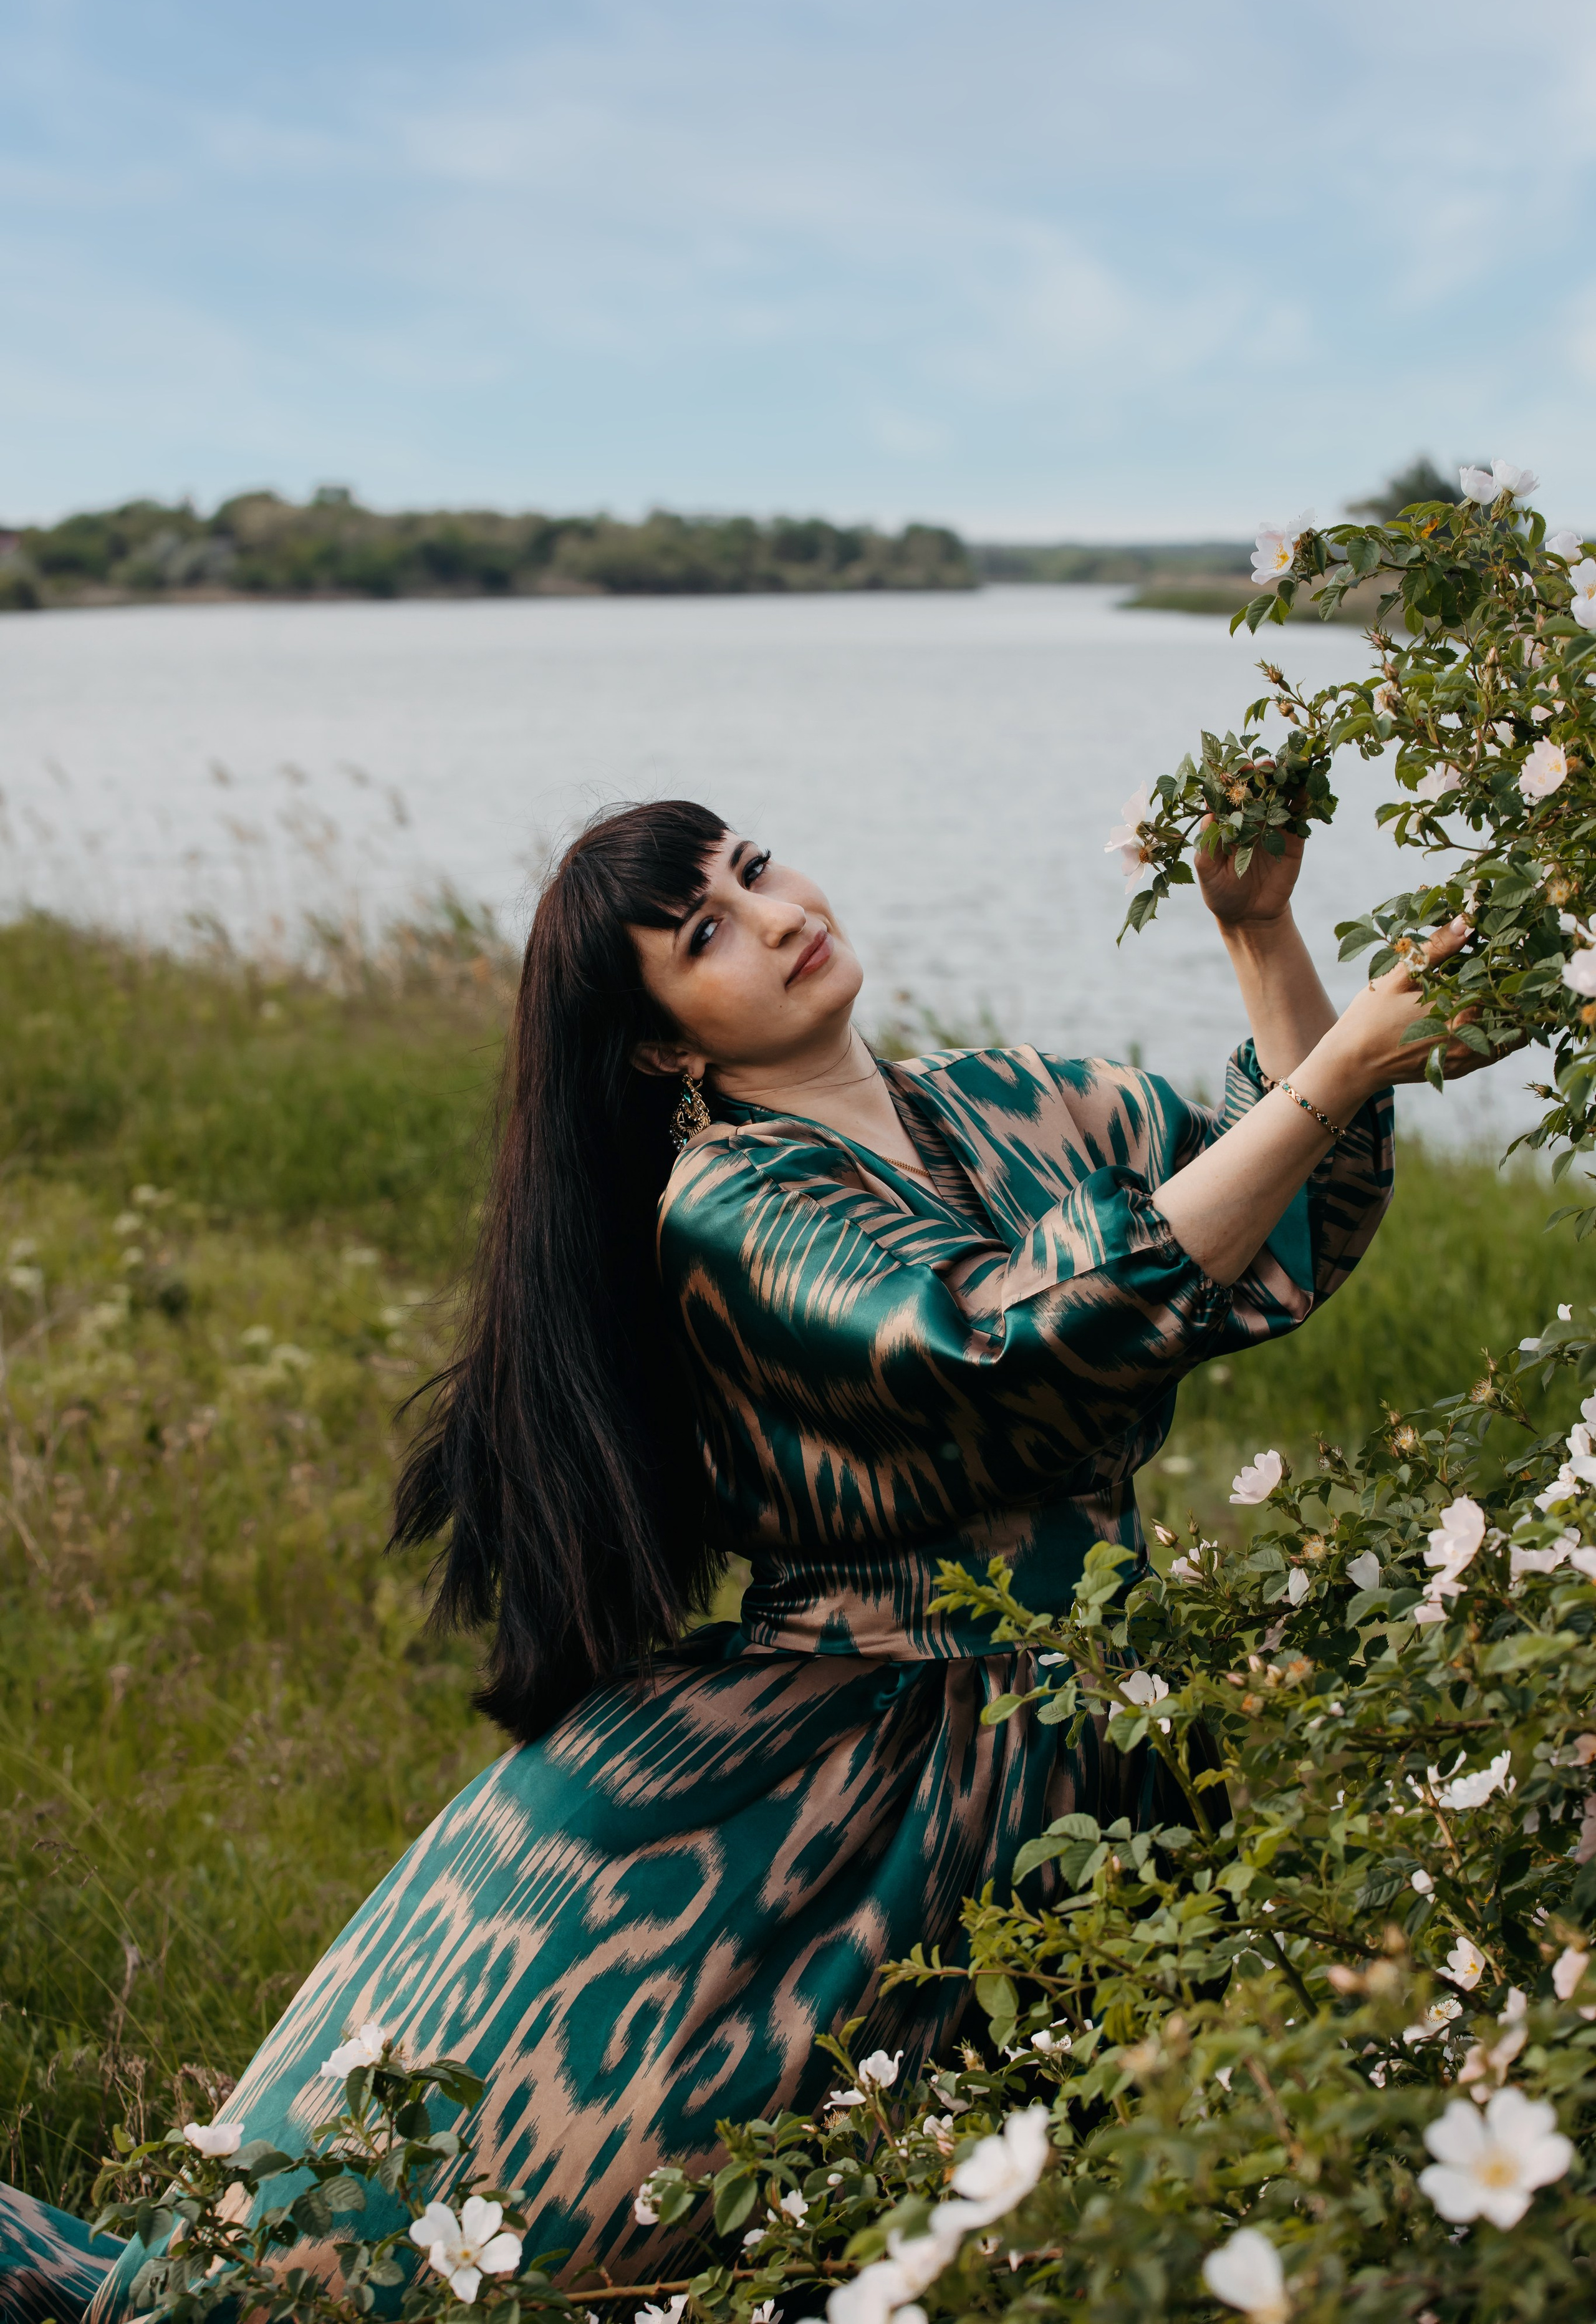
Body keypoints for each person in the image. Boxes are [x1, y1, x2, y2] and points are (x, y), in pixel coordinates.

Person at [2, 796, 1499, 2324]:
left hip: (1091, 1718)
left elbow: (1280, 1205)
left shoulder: (1011, 1099)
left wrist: (1260, 942)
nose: (775, 916)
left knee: (1069, 2220)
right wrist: (1334, 1069)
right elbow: (1000, 1346)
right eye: (704, 931)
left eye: (754, 870)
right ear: (661, 1047)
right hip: (856, 1762)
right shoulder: (730, 1203)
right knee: (505, 2254)